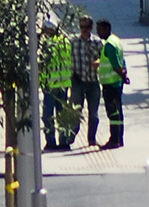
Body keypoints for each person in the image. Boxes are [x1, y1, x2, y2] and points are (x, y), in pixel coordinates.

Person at [70, 14, 102, 148]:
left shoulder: (97, 42)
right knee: (76, 111)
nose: (84, 30)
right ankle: (70, 137)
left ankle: (92, 139)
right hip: (77, 80)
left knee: (93, 113)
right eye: (82, 27)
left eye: (87, 27)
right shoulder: (73, 42)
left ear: (91, 27)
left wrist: (98, 61)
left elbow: (104, 58)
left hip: (93, 81)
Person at [97, 18, 128, 149]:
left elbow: (115, 64)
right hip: (116, 82)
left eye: (99, 30)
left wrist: (123, 76)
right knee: (118, 112)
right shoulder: (116, 40)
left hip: (111, 83)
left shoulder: (109, 44)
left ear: (106, 29)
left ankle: (114, 139)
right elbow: (121, 60)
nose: (98, 33)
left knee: (113, 112)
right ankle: (119, 138)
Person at [41, 22, 72, 151]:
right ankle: (64, 141)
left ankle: (51, 142)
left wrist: (41, 83)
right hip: (64, 84)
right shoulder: (66, 42)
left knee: (48, 115)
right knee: (62, 115)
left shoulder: (48, 44)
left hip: (51, 85)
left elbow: (44, 65)